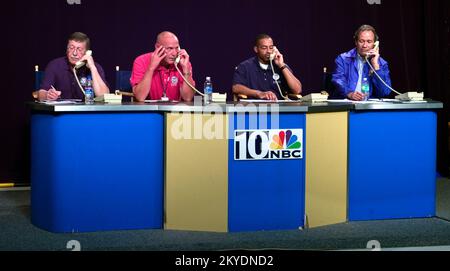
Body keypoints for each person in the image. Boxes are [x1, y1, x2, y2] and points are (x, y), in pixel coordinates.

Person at [36, 32, 110, 101]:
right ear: (67, 49)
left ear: (87, 52)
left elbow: (104, 96)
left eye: (79, 49)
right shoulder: (55, 65)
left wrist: (93, 68)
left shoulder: (95, 67)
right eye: (71, 48)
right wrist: (47, 95)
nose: (74, 53)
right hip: (61, 113)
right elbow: (41, 93)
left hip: (87, 113)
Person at [232, 34, 302, 101]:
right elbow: (236, 87)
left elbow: (297, 90)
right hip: (254, 108)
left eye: (271, 47)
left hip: (279, 108)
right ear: (256, 49)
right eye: (264, 48)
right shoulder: (245, 66)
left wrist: (281, 65)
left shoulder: (281, 66)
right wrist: (259, 94)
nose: (268, 51)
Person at [331, 24, 392, 100]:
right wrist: (349, 93)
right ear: (356, 42)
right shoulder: (342, 59)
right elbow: (338, 79)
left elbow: (384, 92)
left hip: (369, 107)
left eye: (369, 41)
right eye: (361, 41)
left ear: (375, 44)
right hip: (346, 105)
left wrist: (376, 66)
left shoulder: (381, 63)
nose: (365, 45)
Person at [131, 31, 195, 102]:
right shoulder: (141, 61)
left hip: (174, 111)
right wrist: (151, 67)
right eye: (169, 48)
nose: (174, 53)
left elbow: (188, 98)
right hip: (149, 111)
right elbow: (140, 97)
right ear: (157, 47)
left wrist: (186, 70)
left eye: (176, 48)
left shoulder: (183, 62)